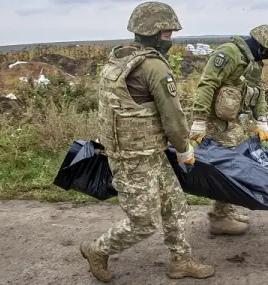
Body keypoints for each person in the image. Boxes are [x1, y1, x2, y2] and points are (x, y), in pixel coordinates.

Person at [79, 1, 215, 282]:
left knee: (175, 204)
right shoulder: (152, 66)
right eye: (166, 33)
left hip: (148, 152)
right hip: (133, 158)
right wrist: (184, 149)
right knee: (143, 223)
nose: (170, 38)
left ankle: (181, 261)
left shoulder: (120, 57)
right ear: (151, 32)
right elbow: (174, 118)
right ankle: (97, 249)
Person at [188, 24, 268, 235]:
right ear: (260, 44)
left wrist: (261, 119)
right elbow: (207, 85)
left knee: (234, 163)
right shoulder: (228, 53)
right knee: (227, 166)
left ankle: (225, 210)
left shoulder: (252, 62)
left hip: (230, 121)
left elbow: (259, 91)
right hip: (213, 120)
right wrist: (199, 120)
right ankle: (219, 218)